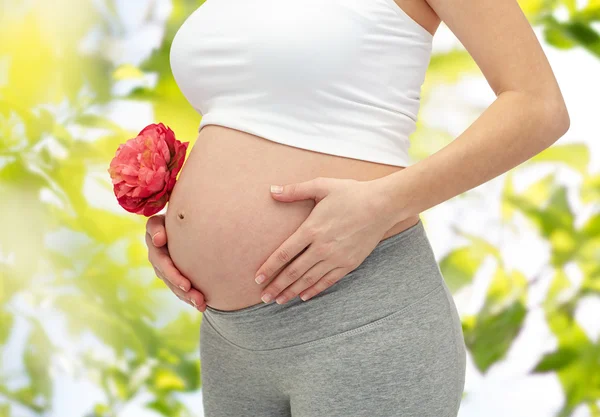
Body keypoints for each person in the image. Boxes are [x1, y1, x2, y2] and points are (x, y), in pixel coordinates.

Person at [145, 0, 570, 415]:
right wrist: (184, 226)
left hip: (359, 321)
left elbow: (538, 106)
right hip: (230, 340)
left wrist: (384, 203)